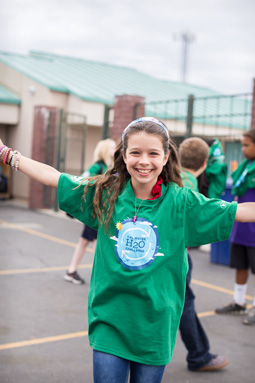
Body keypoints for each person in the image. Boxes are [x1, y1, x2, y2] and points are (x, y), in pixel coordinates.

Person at [1, 117, 255, 383]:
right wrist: (6, 154)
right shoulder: (105, 193)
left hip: (155, 326)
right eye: (135, 152)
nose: (144, 161)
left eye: (153, 153)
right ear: (123, 155)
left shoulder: (182, 202)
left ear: (166, 157)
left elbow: (240, 211)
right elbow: (55, 177)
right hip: (110, 320)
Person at [179, 137, 229, 371]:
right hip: (177, 255)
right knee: (184, 305)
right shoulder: (190, 187)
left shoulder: (171, 179)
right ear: (205, 162)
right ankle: (199, 355)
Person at [215, 129, 255, 326]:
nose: (243, 149)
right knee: (240, 264)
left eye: (247, 145)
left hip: (254, 229)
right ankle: (239, 302)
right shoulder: (246, 166)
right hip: (242, 228)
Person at [64, 138, 116, 285]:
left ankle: (71, 271)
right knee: (98, 244)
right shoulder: (98, 167)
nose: (115, 149)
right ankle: (100, 278)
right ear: (105, 150)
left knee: (84, 241)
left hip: (101, 210)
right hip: (95, 211)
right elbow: (81, 180)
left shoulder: (110, 167)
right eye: (112, 147)